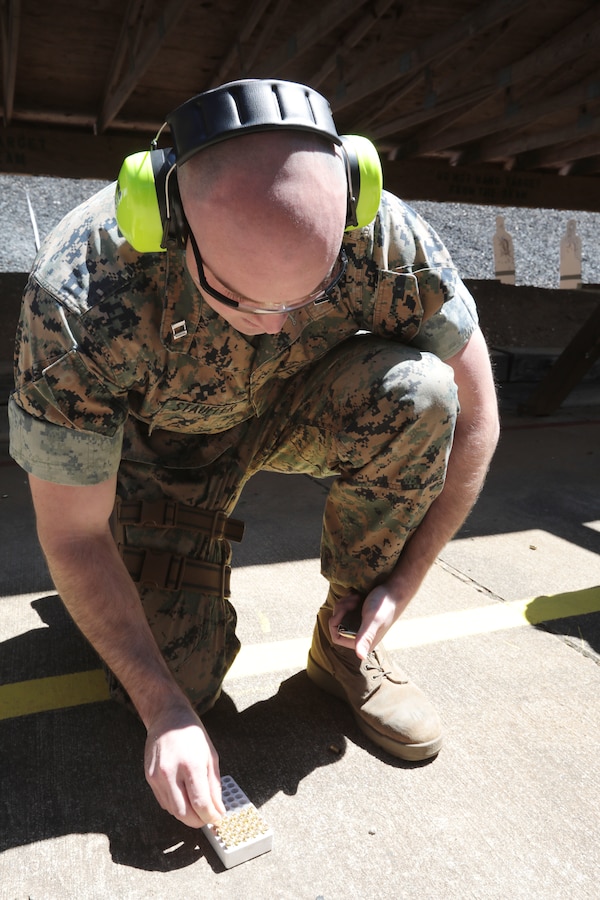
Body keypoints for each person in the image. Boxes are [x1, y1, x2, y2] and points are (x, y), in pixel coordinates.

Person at [9, 79, 499, 829]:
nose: (275, 327)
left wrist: (404, 580)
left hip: (291, 411)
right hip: (161, 456)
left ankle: (346, 647)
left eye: (310, 295)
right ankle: (148, 565)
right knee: (183, 686)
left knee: (423, 394)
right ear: (163, 222)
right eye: (242, 300)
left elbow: (476, 416)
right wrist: (164, 707)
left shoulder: (382, 237)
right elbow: (70, 532)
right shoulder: (82, 292)